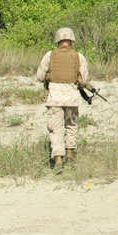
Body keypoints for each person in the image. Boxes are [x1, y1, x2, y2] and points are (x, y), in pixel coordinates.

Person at [36, 27, 89, 173]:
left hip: (55, 98)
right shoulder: (79, 57)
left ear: (58, 40)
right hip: (72, 98)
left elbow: (40, 76)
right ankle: (70, 157)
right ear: (71, 40)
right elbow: (84, 80)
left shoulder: (49, 55)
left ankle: (58, 159)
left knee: (56, 129)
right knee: (71, 127)